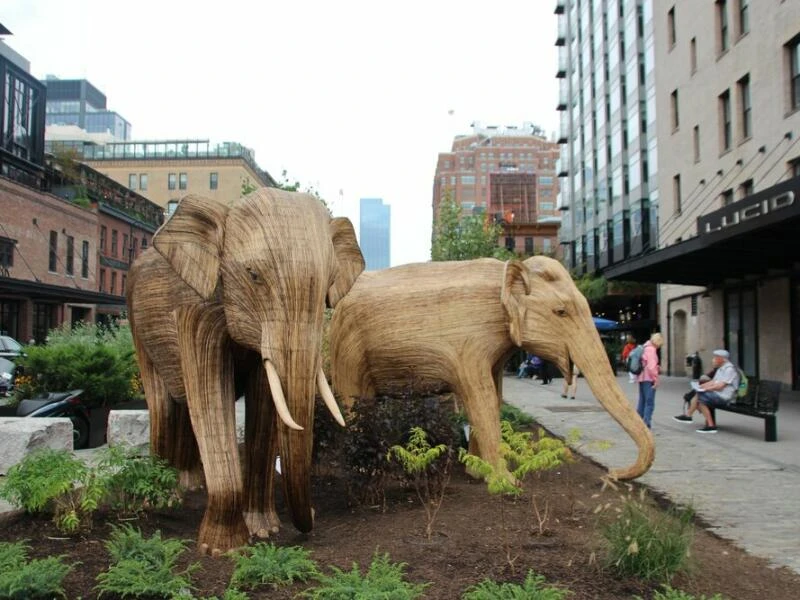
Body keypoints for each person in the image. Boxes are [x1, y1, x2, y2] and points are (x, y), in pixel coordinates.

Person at [673, 349, 739, 433]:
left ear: (722, 359)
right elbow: (713, 381)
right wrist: (701, 386)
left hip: (724, 396)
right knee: (699, 394)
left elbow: (720, 386)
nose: (714, 359)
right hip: (718, 394)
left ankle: (692, 417)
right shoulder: (721, 368)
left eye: (716, 357)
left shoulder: (729, 370)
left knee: (701, 398)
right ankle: (698, 420)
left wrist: (705, 389)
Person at [636, 332, 664, 429]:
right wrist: (656, 379)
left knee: (642, 400)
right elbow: (651, 367)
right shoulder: (651, 350)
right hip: (649, 379)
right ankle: (646, 422)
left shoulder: (644, 348)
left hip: (641, 377)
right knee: (649, 402)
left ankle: (638, 421)